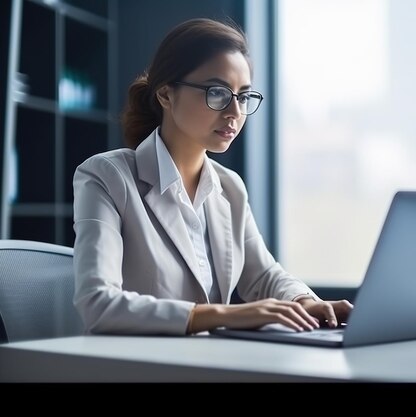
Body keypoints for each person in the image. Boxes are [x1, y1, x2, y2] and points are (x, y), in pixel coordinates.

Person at [72, 18, 353, 335]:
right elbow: (98, 303)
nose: (235, 112)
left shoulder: (229, 187)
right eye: (217, 92)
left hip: (208, 363)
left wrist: (303, 300)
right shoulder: (107, 177)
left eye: (244, 96)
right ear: (166, 94)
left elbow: (261, 275)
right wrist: (226, 314)